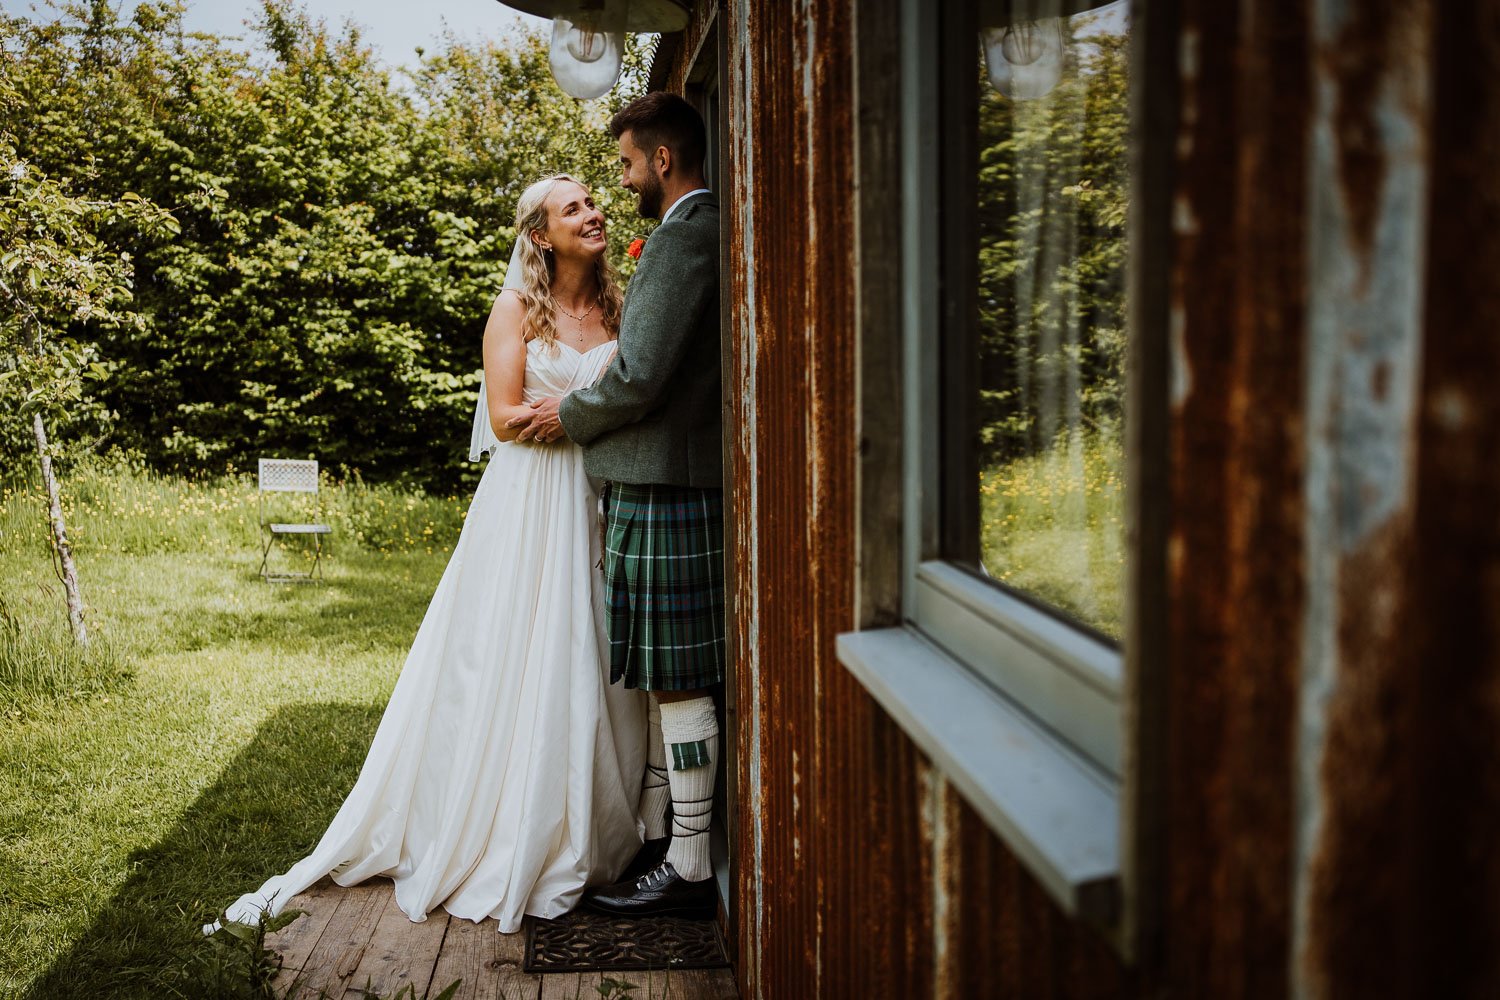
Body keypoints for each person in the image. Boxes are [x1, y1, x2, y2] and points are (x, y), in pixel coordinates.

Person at [215, 174, 651, 935]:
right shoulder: (516, 307)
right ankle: (506, 825)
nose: (594, 213)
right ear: (539, 235)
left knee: (592, 649)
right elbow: (508, 418)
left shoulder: (618, 306)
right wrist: (575, 410)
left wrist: (582, 411)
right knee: (513, 651)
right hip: (528, 504)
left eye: (593, 200)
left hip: (595, 496)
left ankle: (595, 827)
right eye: (573, 207)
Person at [510, 92, 724, 921]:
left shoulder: (683, 238)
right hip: (659, 482)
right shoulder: (688, 235)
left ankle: (692, 866)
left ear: (662, 160)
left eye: (628, 165)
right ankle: (671, 838)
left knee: (676, 679)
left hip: (666, 483)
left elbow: (638, 376)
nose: (623, 181)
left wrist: (567, 414)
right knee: (663, 678)